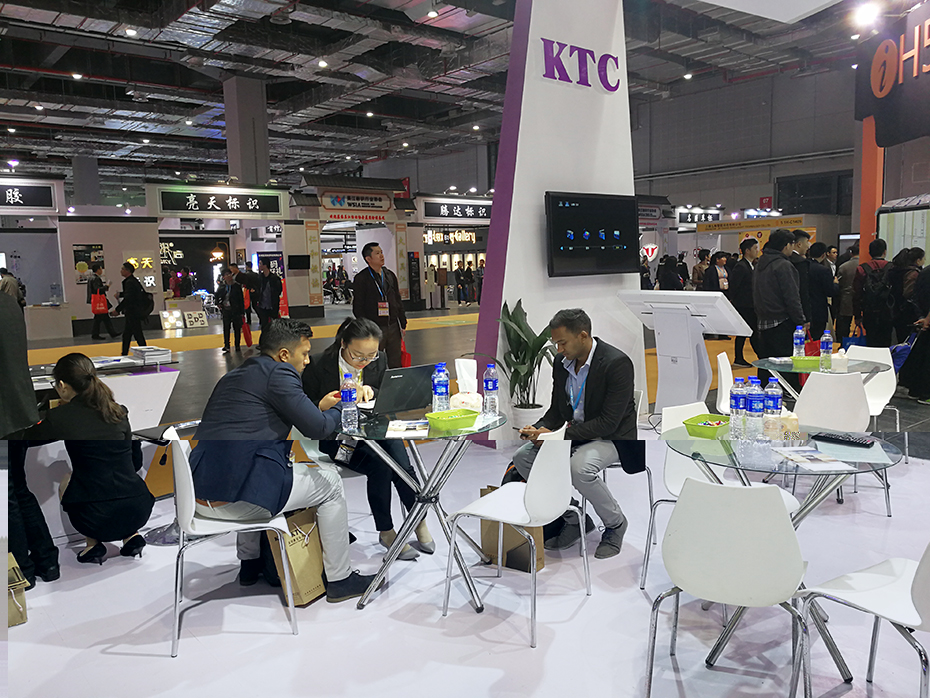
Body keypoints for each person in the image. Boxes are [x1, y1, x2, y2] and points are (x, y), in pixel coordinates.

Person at [191, 319, 379, 601]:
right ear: (283, 354)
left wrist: (321, 408)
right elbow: (318, 427)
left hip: (198, 496)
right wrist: (345, 403)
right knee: (331, 483)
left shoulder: (235, 374)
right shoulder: (280, 373)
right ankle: (341, 578)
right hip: (237, 504)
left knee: (244, 463)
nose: (307, 361)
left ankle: (249, 564)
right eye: (304, 353)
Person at [302, 318, 433, 560]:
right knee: (381, 466)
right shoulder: (319, 364)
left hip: (376, 428)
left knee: (402, 464)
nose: (364, 361)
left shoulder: (379, 360)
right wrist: (323, 405)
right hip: (338, 439)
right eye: (357, 355)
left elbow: (388, 396)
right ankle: (387, 531)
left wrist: (374, 393)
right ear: (343, 344)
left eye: (370, 356)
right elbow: (303, 407)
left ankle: (418, 520)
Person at [514, 309, 638, 560]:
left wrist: (559, 436)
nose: (559, 350)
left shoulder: (617, 363)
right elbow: (556, 411)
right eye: (556, 344)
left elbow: (609, 423)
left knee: (579, 468)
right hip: (575, 434)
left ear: (583, 336)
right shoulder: (562, 363)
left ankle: (615, 523)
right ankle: (575, 517)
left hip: (614, 438)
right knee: (523, 458)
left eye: (562, 343)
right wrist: (537, 429)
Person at [15, 354, 155, 565]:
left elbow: (27, 438)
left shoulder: (61, 417)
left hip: (95, 517)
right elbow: (135, 462)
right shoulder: (118, 411)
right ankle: (131, 536)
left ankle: (92, 543)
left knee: (68, 479)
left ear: (62, 385)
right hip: (140, 508)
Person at [753, 229, 807, 388]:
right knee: (785, 366)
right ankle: (787, 397)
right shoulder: (783, 265)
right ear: (787, 245)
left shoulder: (760, 264)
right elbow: (792, 297)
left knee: (766, 365)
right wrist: (800, 321)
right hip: (782, 323)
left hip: (763, 322)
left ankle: (765, 394)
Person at [352, 242, 408, 369]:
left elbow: (397, 299)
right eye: (377, 253)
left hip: (393, 326)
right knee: (373, 362)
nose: (382, 256)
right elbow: (358, 306)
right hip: (374, 327)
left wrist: (402, 322)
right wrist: (366, 327)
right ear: (368, 259)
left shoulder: (389, 275)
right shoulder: (362, 278)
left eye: (381, 252)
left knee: (396, 361)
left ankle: (395, 380)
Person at [898, 264, 930, 403]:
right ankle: (926, 394)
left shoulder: (924, 272)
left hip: (920, 320)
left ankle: (915, 390)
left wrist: (921, 316)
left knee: (919, 355)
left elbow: (914, 296)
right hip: (926, 319)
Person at [854, 239, 893, 347]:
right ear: (884, 252)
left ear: (869, 252)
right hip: (887, 311)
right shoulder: (891, 268)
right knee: (886, 342)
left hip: (869, 311)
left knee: (871, 341)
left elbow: (856, 293)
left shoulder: (862, 269)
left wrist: (857, 315)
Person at [730, 237, 761, 367]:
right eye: (755, 248)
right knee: (747, 332)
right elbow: (734, 286)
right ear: (747, 251)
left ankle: (742, 357)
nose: (757, 251)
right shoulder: (741, 266)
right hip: (743, 305)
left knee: (746, 332)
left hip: (749, 304)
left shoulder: (751, 265)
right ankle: (758, 356)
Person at [887, 247, 925, 344]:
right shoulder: (914, 273)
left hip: (893, 310)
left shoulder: (894, 270)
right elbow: (910, 294)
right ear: (918, 260)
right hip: (909, 313)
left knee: (900, 340)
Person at [113, 261, 148, 356]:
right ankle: (125, 353)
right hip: (134, 311)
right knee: (128, 334)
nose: (121, 271)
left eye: (122, 269)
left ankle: (145, 352)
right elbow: (132, 294)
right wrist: (121, 294)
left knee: (137, 334)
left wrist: (117, 310)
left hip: (133, 311)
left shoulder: (129, 282)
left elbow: (129, 298)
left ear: (127, 271)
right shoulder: (133, 281)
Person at [807, 242, 838, 340]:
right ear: (823, 255)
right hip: (818, 310)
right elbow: (830, 291)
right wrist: (835, 284)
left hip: (803, 308)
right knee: (817, 338)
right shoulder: (823, 270)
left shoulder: (802, 266)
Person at [216, 267, 244, 353]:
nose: (229, 276)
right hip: (226, 309)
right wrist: (218, 303)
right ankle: (227, 345)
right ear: (223, 277)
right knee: (226, 328)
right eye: (226, 275)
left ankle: (237, 345)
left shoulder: (236, 286)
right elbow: (217, 296)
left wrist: (242, 312)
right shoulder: (222, 287)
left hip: (236, 309)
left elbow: (241, 299)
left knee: (237, 328)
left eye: (229, 274)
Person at [87, 263, 119, 340]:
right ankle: (109, 333)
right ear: (98, 270)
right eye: (100, 269)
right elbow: (97, 289)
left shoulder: (91, 278)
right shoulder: (96, 279)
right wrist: (106, 287)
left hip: (95, 300)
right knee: (103, 318)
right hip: (100, 301)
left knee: (100, 318)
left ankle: (103, 333)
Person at [789, 230, 812, 333]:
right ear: (799, 244)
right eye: (807, 242)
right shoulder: (800, 263)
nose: (808, 246)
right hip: (798, 310)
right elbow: (803, 290)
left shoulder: (782, 260)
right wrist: (806, 317)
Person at [835, 242, 860, 340]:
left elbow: (839, 284)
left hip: (846, 298)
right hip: (860, 298)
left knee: (844, 324)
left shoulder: (844, 266)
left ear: (851, 253)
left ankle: (842, 343)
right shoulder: (863, 265)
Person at [256, 260, 283, 334]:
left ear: (265, 265)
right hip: (262, 305)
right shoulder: (259, 278)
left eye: (260, 263)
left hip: (272, 305)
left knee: (274, 325)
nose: (259, 265)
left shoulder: (275, 278)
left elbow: (279, 290)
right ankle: (264, 340)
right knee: (264, 325)